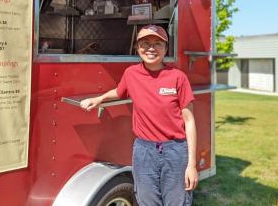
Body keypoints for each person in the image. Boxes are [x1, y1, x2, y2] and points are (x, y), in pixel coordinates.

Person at [80, 24, 198, 206]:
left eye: (158, 43)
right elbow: (119, 91)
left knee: (177, 201)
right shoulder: (131, 74)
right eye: (145, 43)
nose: (151, 48)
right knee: (147, 201)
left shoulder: (177, 77)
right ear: (137, 48)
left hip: (175, 150)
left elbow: (189, 121)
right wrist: (99, 98)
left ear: (166, 48)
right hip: (144, 151)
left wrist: (191, 165)